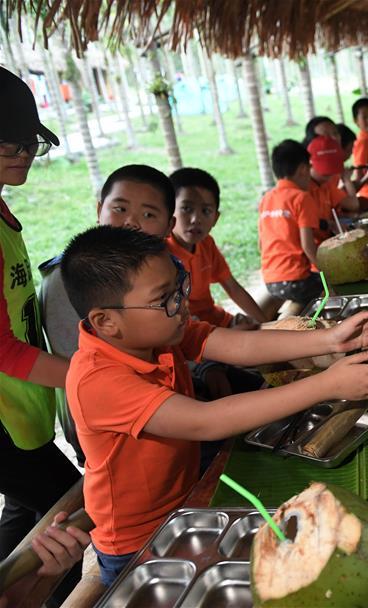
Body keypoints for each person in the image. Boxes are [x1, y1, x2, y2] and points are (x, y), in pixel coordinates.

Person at [61, 225, 368, 586]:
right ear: (106, 321)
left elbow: (239, 346)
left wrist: (331, 339)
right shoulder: (97, 380)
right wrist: (327, 384)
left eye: (180, 288)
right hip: (137, 543)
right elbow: (205, 421)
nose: (182, 305)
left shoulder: (156, 332)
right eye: (165, 299)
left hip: (185, 505)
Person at [0, 68, 84, 602]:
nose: (24, 151)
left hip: (20, 410)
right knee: (68, 515)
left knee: (24, 509)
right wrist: (94, 376)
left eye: (29, 140)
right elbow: (3, 350)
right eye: (7, 142)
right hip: (3, 419)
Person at [40, 164, 181, 466]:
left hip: (167, 407)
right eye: (119, 209)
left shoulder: (161, 269)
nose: (130, 222)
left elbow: (179, 335)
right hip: (115, 425)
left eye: (148, 214)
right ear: (99, 209)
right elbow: (76, 363)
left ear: (170, 225)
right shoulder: (70, 279)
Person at [166, 168, 265, 329]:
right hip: (184, 328)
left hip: (213, 319)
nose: (196, 219)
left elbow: (233, 288)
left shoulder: (206, 244)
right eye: (186, 209)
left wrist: (268, 324)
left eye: (206, 211)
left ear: (215, 218)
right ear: (169, 211)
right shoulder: (161, 253)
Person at [258, 140, 327, 309]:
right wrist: (326, 272)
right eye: (309, 169)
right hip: (297, 280)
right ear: (303, 169)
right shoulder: (301, 198)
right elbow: (308, 247)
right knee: (332, 285)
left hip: (270, 280)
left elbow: (261, 244)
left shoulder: (267, 198)